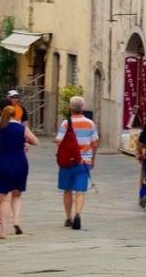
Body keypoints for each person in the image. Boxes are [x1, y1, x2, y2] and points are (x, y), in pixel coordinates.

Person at [0, 105, 39, 239]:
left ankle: (3, 230)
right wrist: (25, 140)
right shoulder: (22, 128)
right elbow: (36, 141)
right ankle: (16, 220)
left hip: (2, 162)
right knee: (17, 194)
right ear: (15, 115)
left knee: (4, 199)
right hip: (19, 162)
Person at [55, 96, 99, 230]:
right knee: (80, 191)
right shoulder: (90, 123)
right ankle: (78, 214)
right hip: (84, 161)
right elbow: (95, 143)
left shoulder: (65, 123)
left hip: (67, 161)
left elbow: (58, 140)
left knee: (67, 190)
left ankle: (68, 218)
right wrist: (93, 158)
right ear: (83, 108)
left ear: (70, 108)